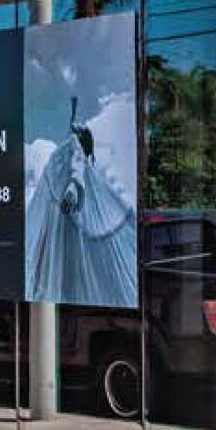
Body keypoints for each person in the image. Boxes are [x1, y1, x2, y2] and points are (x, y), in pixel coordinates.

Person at [26, 95, 137, 307]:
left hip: (63, 217)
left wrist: (74, 185)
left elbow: (76, 162)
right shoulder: (70, 152)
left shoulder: (71, 149)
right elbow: (77, 162)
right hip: (65, 219)